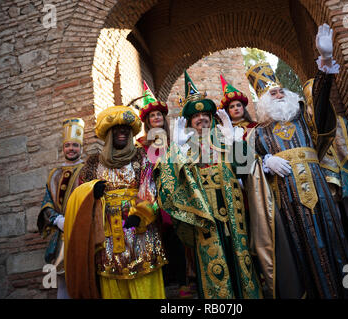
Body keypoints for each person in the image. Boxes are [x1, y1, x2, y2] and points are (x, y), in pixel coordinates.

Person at [246, 24, 348, 299]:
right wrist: (266, 162)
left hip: (320, 193)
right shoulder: (257, 133)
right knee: (302, 252)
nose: (278, 95)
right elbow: (246, 168)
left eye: (280, 90)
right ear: (262, 101)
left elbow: (321, 102)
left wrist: (326, 63)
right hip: (286, 201)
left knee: (337, 243)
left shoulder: (305, 120)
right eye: (271, 93)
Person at [155, 71, 262, 299]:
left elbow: (247, 167)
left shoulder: (224, 138)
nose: (201, 118)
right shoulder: (184, 147)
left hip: (234, 212)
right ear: (190, 122)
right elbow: (168, 184)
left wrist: (232, 137)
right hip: (204, 215)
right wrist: (177, 149)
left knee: (240, 259)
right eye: (196, 116)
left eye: (205, 114)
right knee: (213, 266)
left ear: (212, 118)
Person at [63, 104, 167, 299]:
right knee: (113, 283)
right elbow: (79, 193)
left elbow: (149, 185)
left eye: (126, 130)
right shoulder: (93, 162)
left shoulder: (140, 156)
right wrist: (92, 190)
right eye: (117, 130)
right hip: (108, 235)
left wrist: (140, 214)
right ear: (109, 134)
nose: (122, 133)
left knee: (145, 284)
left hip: (140, 232)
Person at [304, 78, 348, 271]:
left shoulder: (341, 122)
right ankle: (345, 260)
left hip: (346, 172)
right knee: (333, 218)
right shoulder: (309, 129)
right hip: (325, 175)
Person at [136, 81, 193, 298]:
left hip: (177, 191)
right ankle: (166, 279)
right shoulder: (142, 145)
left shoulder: (174, 139)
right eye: (153, 116)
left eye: (159, 115)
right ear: (148, 122)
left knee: (180, 235)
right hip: (153, 195)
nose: (157, 118)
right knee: (160, 236)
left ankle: (184, 280)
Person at [37, 118, 85, 299]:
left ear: (81, 148)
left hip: (83, 231)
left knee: (84, 278)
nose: (71, 149)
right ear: (63, 148)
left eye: (75, 145)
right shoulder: (54, 174)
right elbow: (47, 201)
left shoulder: (87, 170)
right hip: (61, 232)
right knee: (62, 280)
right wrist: (57, 220)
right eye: (67, 145)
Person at [219, 74, 257, 141]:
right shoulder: (222, 131)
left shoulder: (255, 126)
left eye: (238, 105)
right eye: (232, 107)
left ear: (243, 108)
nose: (236, 108)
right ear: (228, 111)